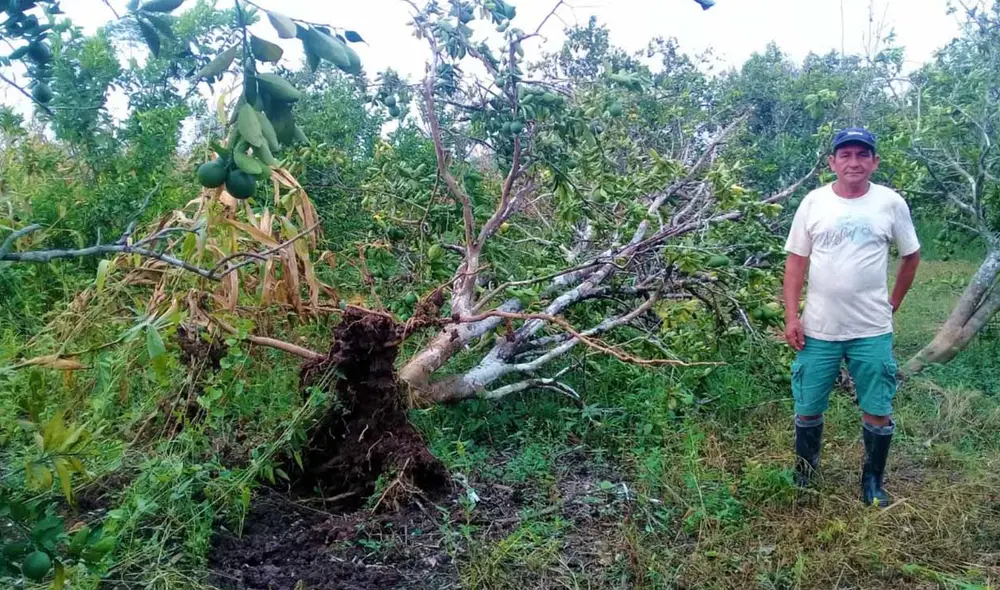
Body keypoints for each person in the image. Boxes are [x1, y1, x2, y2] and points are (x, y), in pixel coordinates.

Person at [782, 127, 921, 507]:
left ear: (875, 161)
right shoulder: (813, 203)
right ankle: (805, 473)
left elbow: (911, 257)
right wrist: (792, 316)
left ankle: (872, 481)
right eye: (846, 155)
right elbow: (795, 264)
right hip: (819, 329)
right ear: (832, 162)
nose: (854, 162)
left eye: (863, 155)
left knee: (877, 406)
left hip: (871, 329)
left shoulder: (890, 203)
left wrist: (893, 302)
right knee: (808, 405)